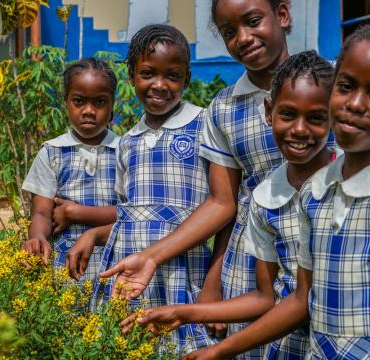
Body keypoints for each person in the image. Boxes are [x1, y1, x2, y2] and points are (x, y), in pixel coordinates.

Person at [139, 23, 370, 359]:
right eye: (346, 87)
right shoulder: (316, 193)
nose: (356, 104)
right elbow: (301, 299)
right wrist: (197, 325)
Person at [100, 1, 292, 357]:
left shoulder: (332, 83)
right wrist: (157, 259)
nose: (243, 38)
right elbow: (224, 203)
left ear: (282, 15)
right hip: (249, 261)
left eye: (253, 21)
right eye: (229, 31)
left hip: (323, 249)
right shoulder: (224, 108)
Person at [128, 51, 337, 360]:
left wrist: (219, 349)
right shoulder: (265, 200)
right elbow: (269, 298)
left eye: (316, 118)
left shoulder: (350, 185)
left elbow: (304, 298)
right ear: (269, 112)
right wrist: (186, 313)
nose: (300, 129)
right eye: (288, 115)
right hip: (290, 345)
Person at [72, 24, 220, 354]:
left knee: (184, 345)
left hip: (185, 267)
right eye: (148, 73)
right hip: (134, 270)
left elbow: (224, 205)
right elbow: (131, 217)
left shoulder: (205, 124)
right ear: (131, 77)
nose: (159, 85)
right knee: (136, 343)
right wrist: (94, 234)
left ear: (187, 78)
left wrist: (214, 282)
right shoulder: (128, 142)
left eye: (172, 75)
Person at [21, 58, 119, 281]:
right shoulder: (52, 152)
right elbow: (41, 213)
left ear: (112, 104)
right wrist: (37, 238)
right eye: (79, 101)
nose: (88, 111)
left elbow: (131, 212)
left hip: (115, 263)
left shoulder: (126, 151)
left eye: (100, 102)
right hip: (65, 267)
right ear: (66, 102)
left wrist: (74, 212)